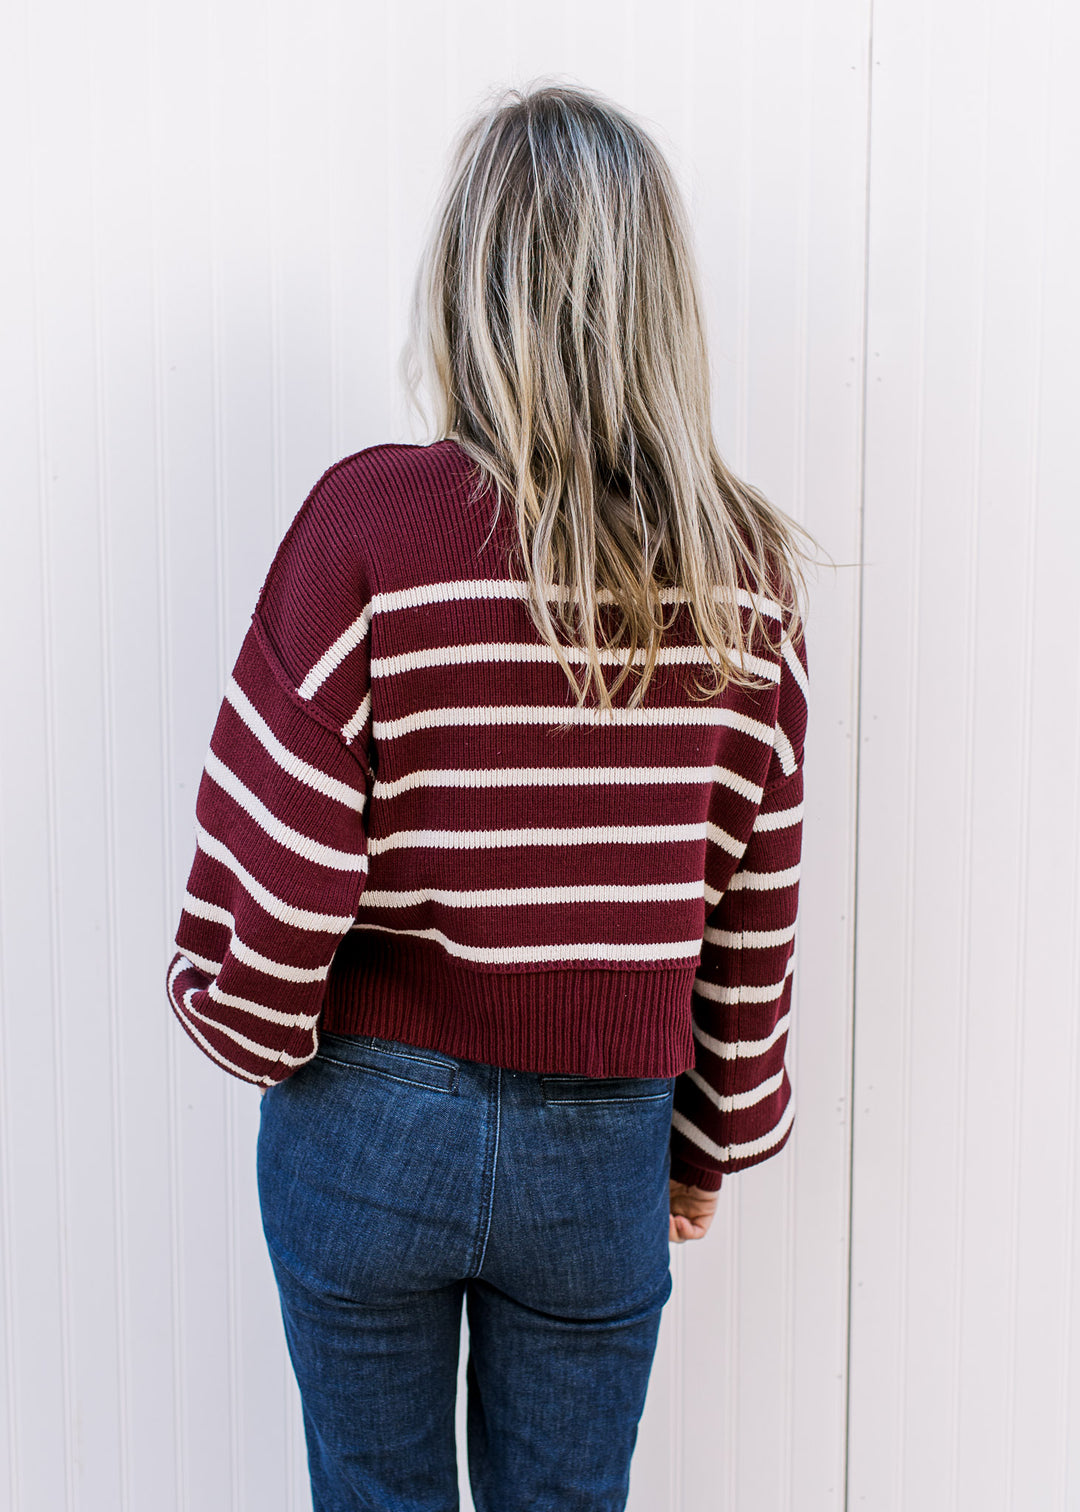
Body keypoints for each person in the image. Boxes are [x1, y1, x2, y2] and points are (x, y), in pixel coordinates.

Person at [166, 81, 815, 1512]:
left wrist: (247, 1019)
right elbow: (747, 900)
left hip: (367, 1122)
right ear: (656, 303)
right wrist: (707, 1140)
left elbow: (280, 851)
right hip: (603, 1143)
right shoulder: (742, 576)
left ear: (470, 284)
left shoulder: (370, 525)